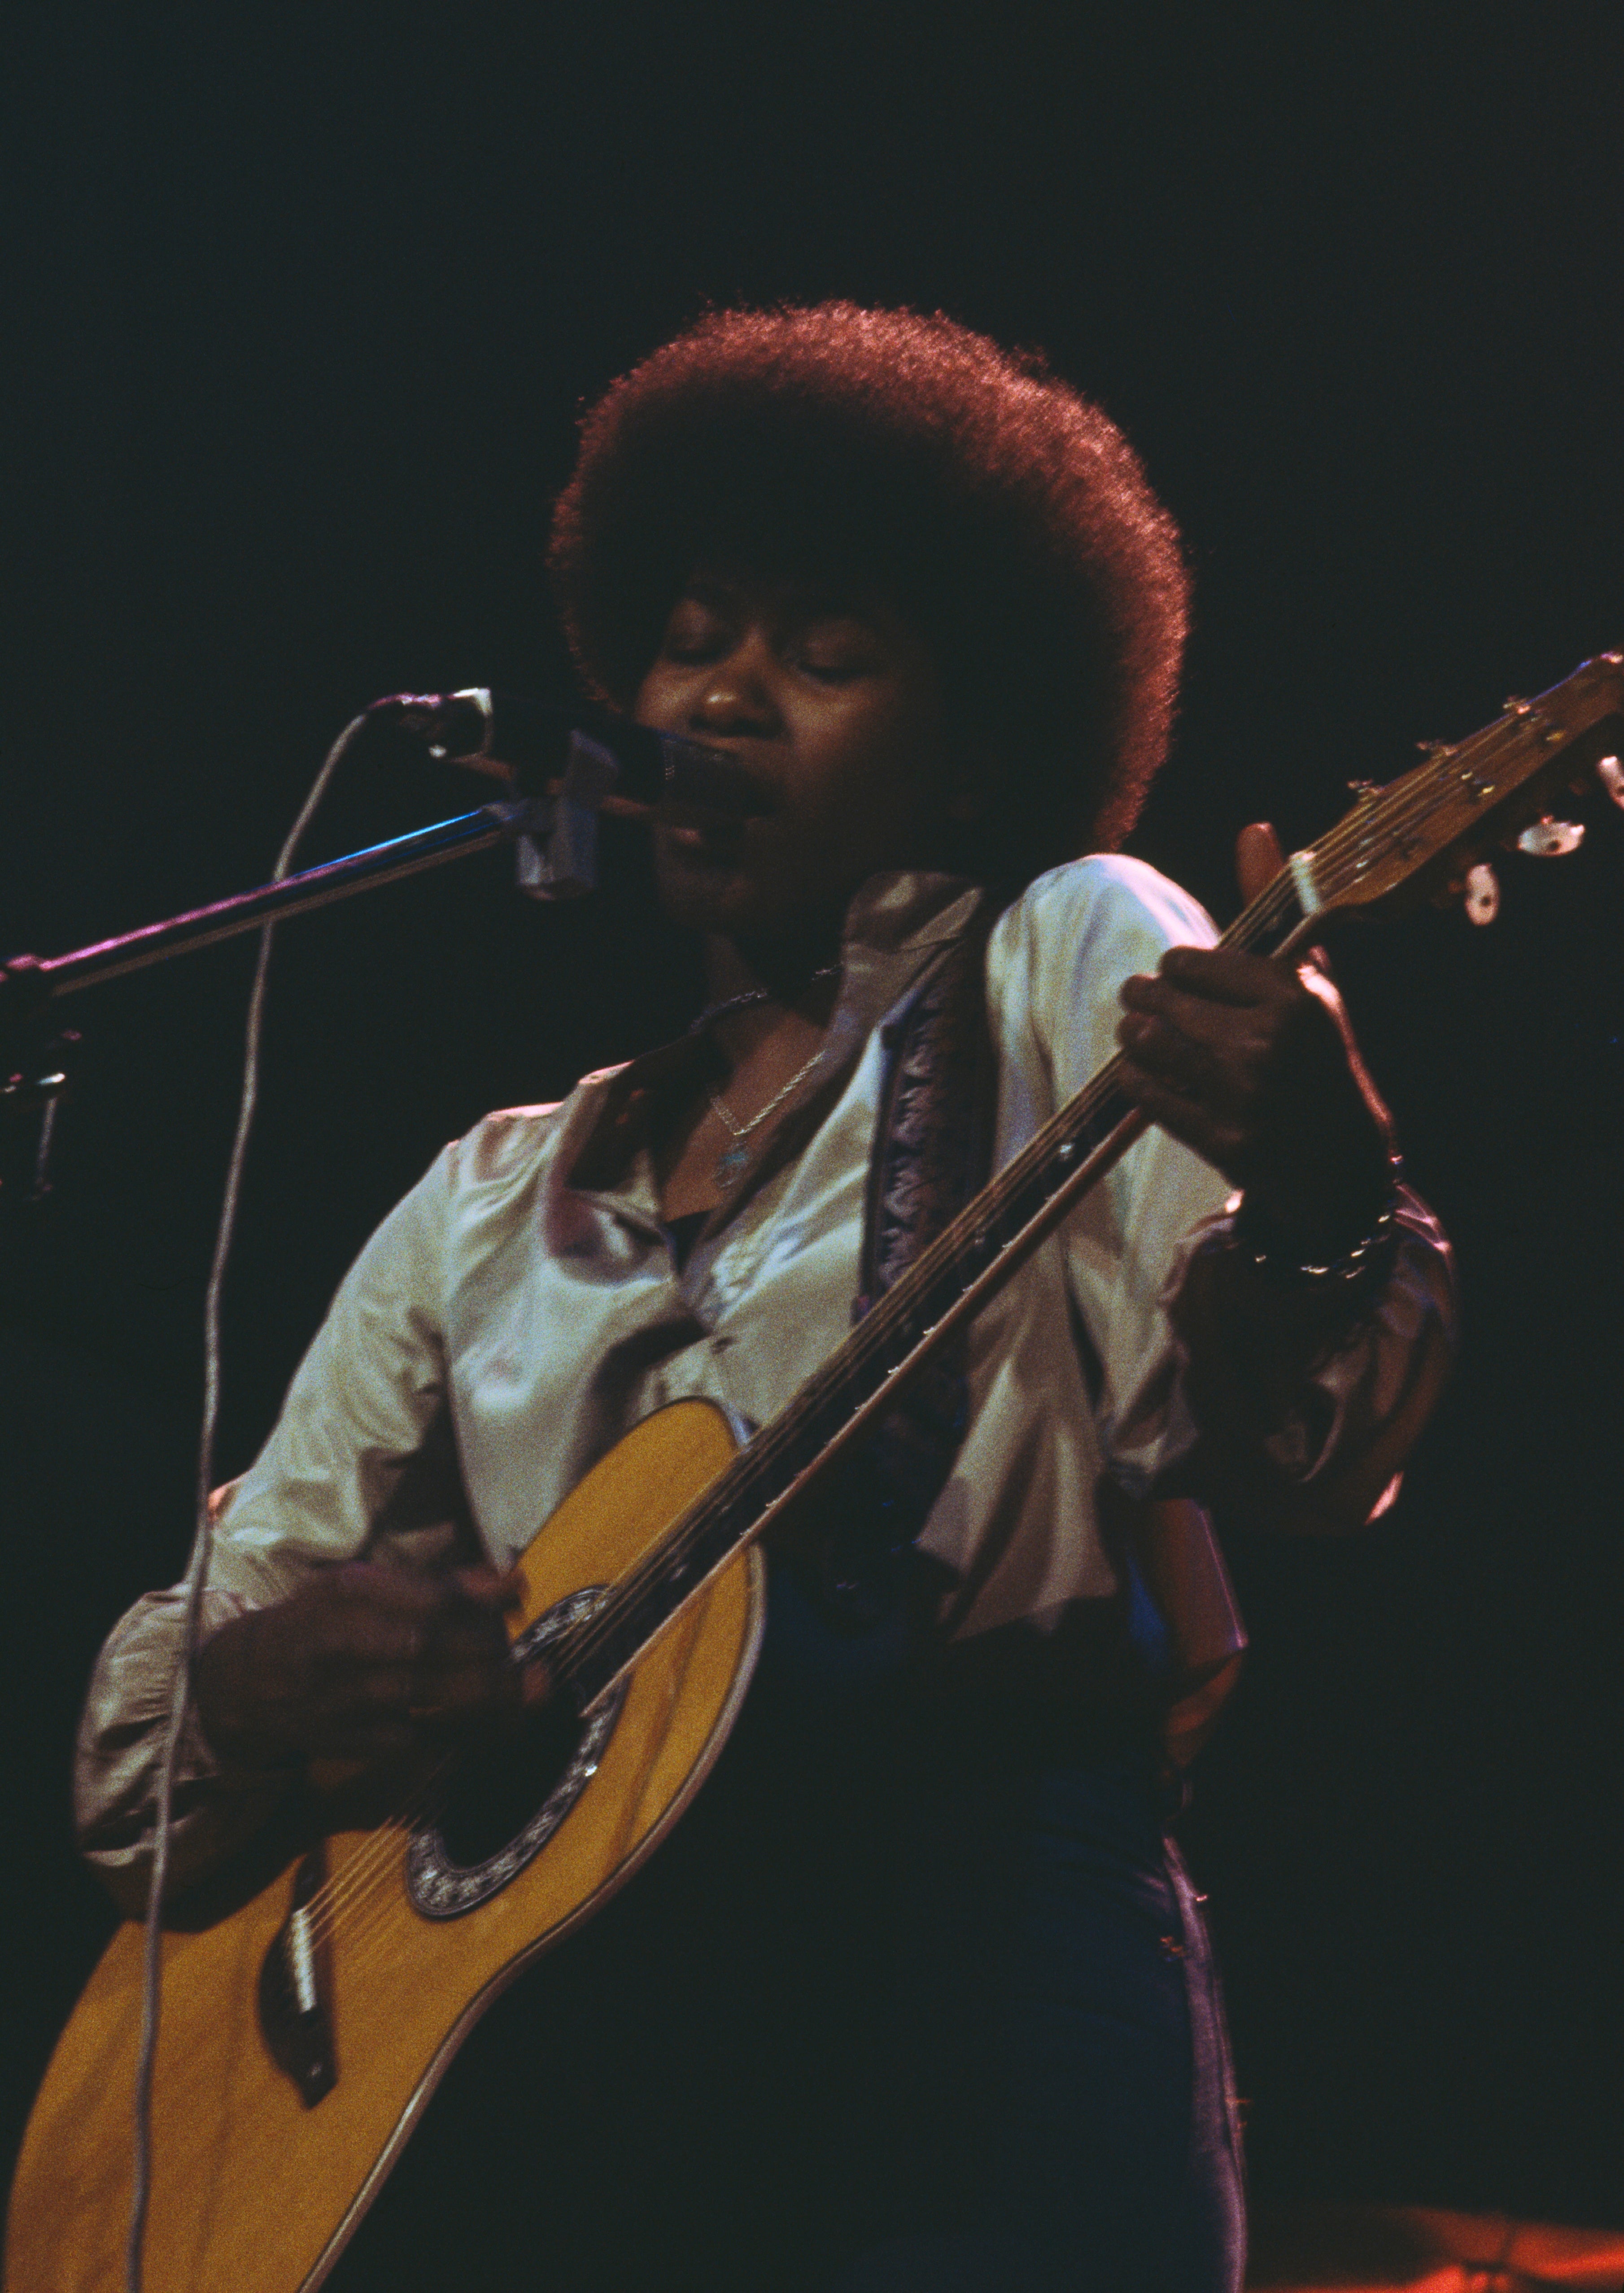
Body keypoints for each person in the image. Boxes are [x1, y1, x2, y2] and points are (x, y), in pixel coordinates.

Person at [74, 304, 1454, 2292]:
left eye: (822, 656)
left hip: (969, 1989)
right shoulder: (492, 1193)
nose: (719, 697)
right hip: (585, 2047)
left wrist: (1320, 1187)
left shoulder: (1064, 948)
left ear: (974, 750)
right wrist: (270, 1681)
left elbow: (1288, 1448)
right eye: (694, 636)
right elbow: (151, 1752)